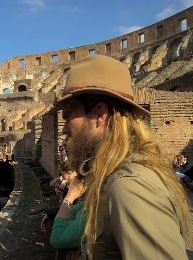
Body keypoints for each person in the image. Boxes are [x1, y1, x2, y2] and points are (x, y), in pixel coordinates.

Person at [49, 55, 191, 259]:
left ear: (99, 114)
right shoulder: (111, 175)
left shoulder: (130, 186)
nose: (64, 129)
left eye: (69, 116)